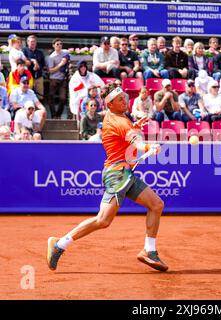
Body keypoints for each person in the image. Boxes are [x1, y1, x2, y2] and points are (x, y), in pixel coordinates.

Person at [47, 82, 168, 272]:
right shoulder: (120, 121)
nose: (125, 101)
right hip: (117, 175)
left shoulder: (118, 118)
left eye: (124, 98)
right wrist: (148, 147)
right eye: (120, 99)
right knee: (103, 220)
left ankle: (149, 251)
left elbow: (126, 135)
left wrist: (135, 126)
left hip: (125, 174)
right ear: (110, 104)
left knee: (156, 204)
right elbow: (135, 142)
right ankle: (59, 244)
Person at [47, 38, 70, 119]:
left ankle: (58, 114)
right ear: (53, 46)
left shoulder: (65, 52)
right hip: (54, 79)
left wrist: (66, 59)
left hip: (63, 79)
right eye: (57, 44)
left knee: (63, 98)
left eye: (60, 44)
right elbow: (50, 70)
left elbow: (70, 56)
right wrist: (60, 64)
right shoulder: (51, 57)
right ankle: (53, 115)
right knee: (51, 97)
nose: (59, 45)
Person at [22, 35, 46, 102]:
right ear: (27, 42)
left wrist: (38, 67)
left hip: (39, 77)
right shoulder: (24, 50)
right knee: (28, 95)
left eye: (34, 41)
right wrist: (33, 60)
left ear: (36, 43)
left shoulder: (40, 52)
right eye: (31, 41)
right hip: (28, 77)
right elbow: (23, 60)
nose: (32, 43)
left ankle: (39, 110)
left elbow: (43, 64)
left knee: (40, 96)